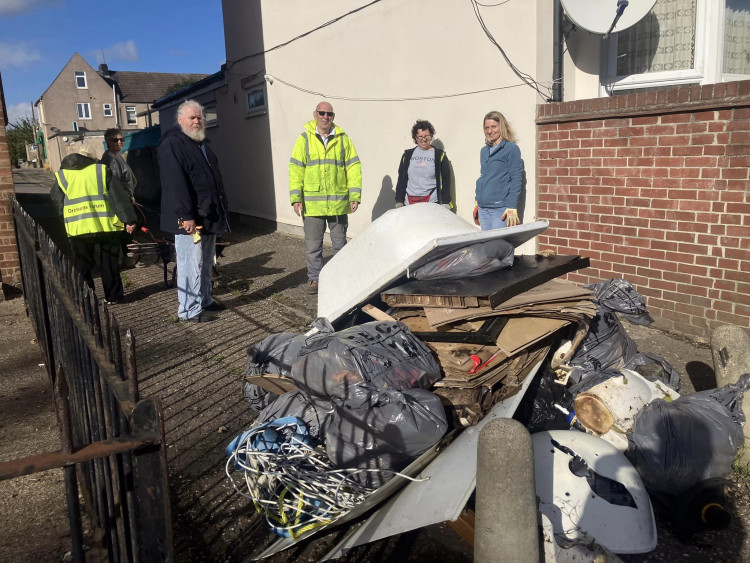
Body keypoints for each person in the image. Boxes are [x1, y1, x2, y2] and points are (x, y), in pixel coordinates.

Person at [158, 100, 230, 323]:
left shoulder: (200, 144)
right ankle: (189, 310)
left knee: (207, 261)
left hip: (207, 215)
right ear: (180, 121)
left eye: (200, 117)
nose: (197, 121)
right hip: (190, 218)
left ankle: (204, 299)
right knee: (190, 264)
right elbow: (175, 183)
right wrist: (185, 215)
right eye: (192, 117)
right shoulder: (172, 144)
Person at [289, 101, 362, 294]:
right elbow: (296, 169)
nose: (325, 117)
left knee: (340, 246)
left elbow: (353, 167)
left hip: (338, 204)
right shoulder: (304, 140)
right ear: (315, 115)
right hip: (312, 206)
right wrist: (296, 198)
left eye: (329, 114)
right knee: (313, 247)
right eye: (322, 113)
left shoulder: (343, 139)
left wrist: (354, 196)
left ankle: (340, 277)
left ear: (333, 117)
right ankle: (315, 279)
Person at [50, 147, 136, 304]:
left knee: (83, 263)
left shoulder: (63, 175)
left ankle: (86, 298)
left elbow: (56, 199)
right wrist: (129, 220)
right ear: (92, 158)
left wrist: (66, 217)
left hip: (78, 227)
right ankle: (114, 297)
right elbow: (118, 197)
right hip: (106, 225)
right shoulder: (102, 170)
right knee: (109, 263)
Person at [474, 111, 523, 230]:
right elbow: (484, 176)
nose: (490, 131)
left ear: (501, 127)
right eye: (487, 128)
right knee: (488, 246)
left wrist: (512, 205)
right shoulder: (484, 151)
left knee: (498, 246)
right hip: (483, 208)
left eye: (493, 127)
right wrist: (477, 200)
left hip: (500, 209)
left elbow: (516, 178)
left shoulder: (511, 149)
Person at [100, 128, 139, 263]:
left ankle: (127, 259)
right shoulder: (110, 159)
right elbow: (114, 185)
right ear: (107, 142)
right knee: (125, 231)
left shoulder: (118, 156)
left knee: (127, 232)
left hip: (127, 198)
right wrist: (125, 203)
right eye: (115, 140)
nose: (119, 142)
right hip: (121, 200)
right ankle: (126, 261)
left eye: (122, 139)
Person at [394, 120, 452, 209]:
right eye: (420, 136)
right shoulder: (407, 155)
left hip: (431, 203)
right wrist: (399, 200)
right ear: (416, 137)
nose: (423, 139)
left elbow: (446, 180)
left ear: (431, 136)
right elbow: (401, 179)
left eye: (426, 136)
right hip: (409, 203)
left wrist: (445, 202)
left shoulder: (440, 155)